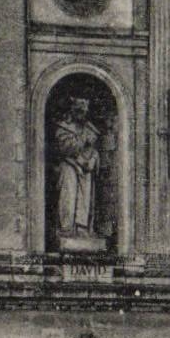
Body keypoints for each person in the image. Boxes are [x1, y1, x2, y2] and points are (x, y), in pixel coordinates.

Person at [54, 96, 100, 240]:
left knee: (85, 195)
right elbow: (65, 149)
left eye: (85, 109)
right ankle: (66, 228)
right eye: (79, 109)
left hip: (85, 167)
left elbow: (94, 149)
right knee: (69, 190)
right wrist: (83, 141)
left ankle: (82, 227)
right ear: (72, 110)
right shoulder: (63, 127)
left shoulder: (89, 128)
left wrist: (92, 159)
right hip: (68, 164)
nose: (83, 112)